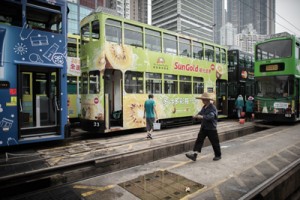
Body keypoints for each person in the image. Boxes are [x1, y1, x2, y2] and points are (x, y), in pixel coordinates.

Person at [185, 92, 221, 161]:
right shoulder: (204, 107)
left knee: (215, 142)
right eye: (202, 99)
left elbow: (211, 116)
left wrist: (201, 117)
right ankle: (194, 155)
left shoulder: (212, 107)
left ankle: (218, 155)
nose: (202, 100)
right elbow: (200, 113)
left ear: (207, 100)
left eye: (203, 99)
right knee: (199, 140)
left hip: (211, 128)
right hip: (204, 127)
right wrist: (196, 116)